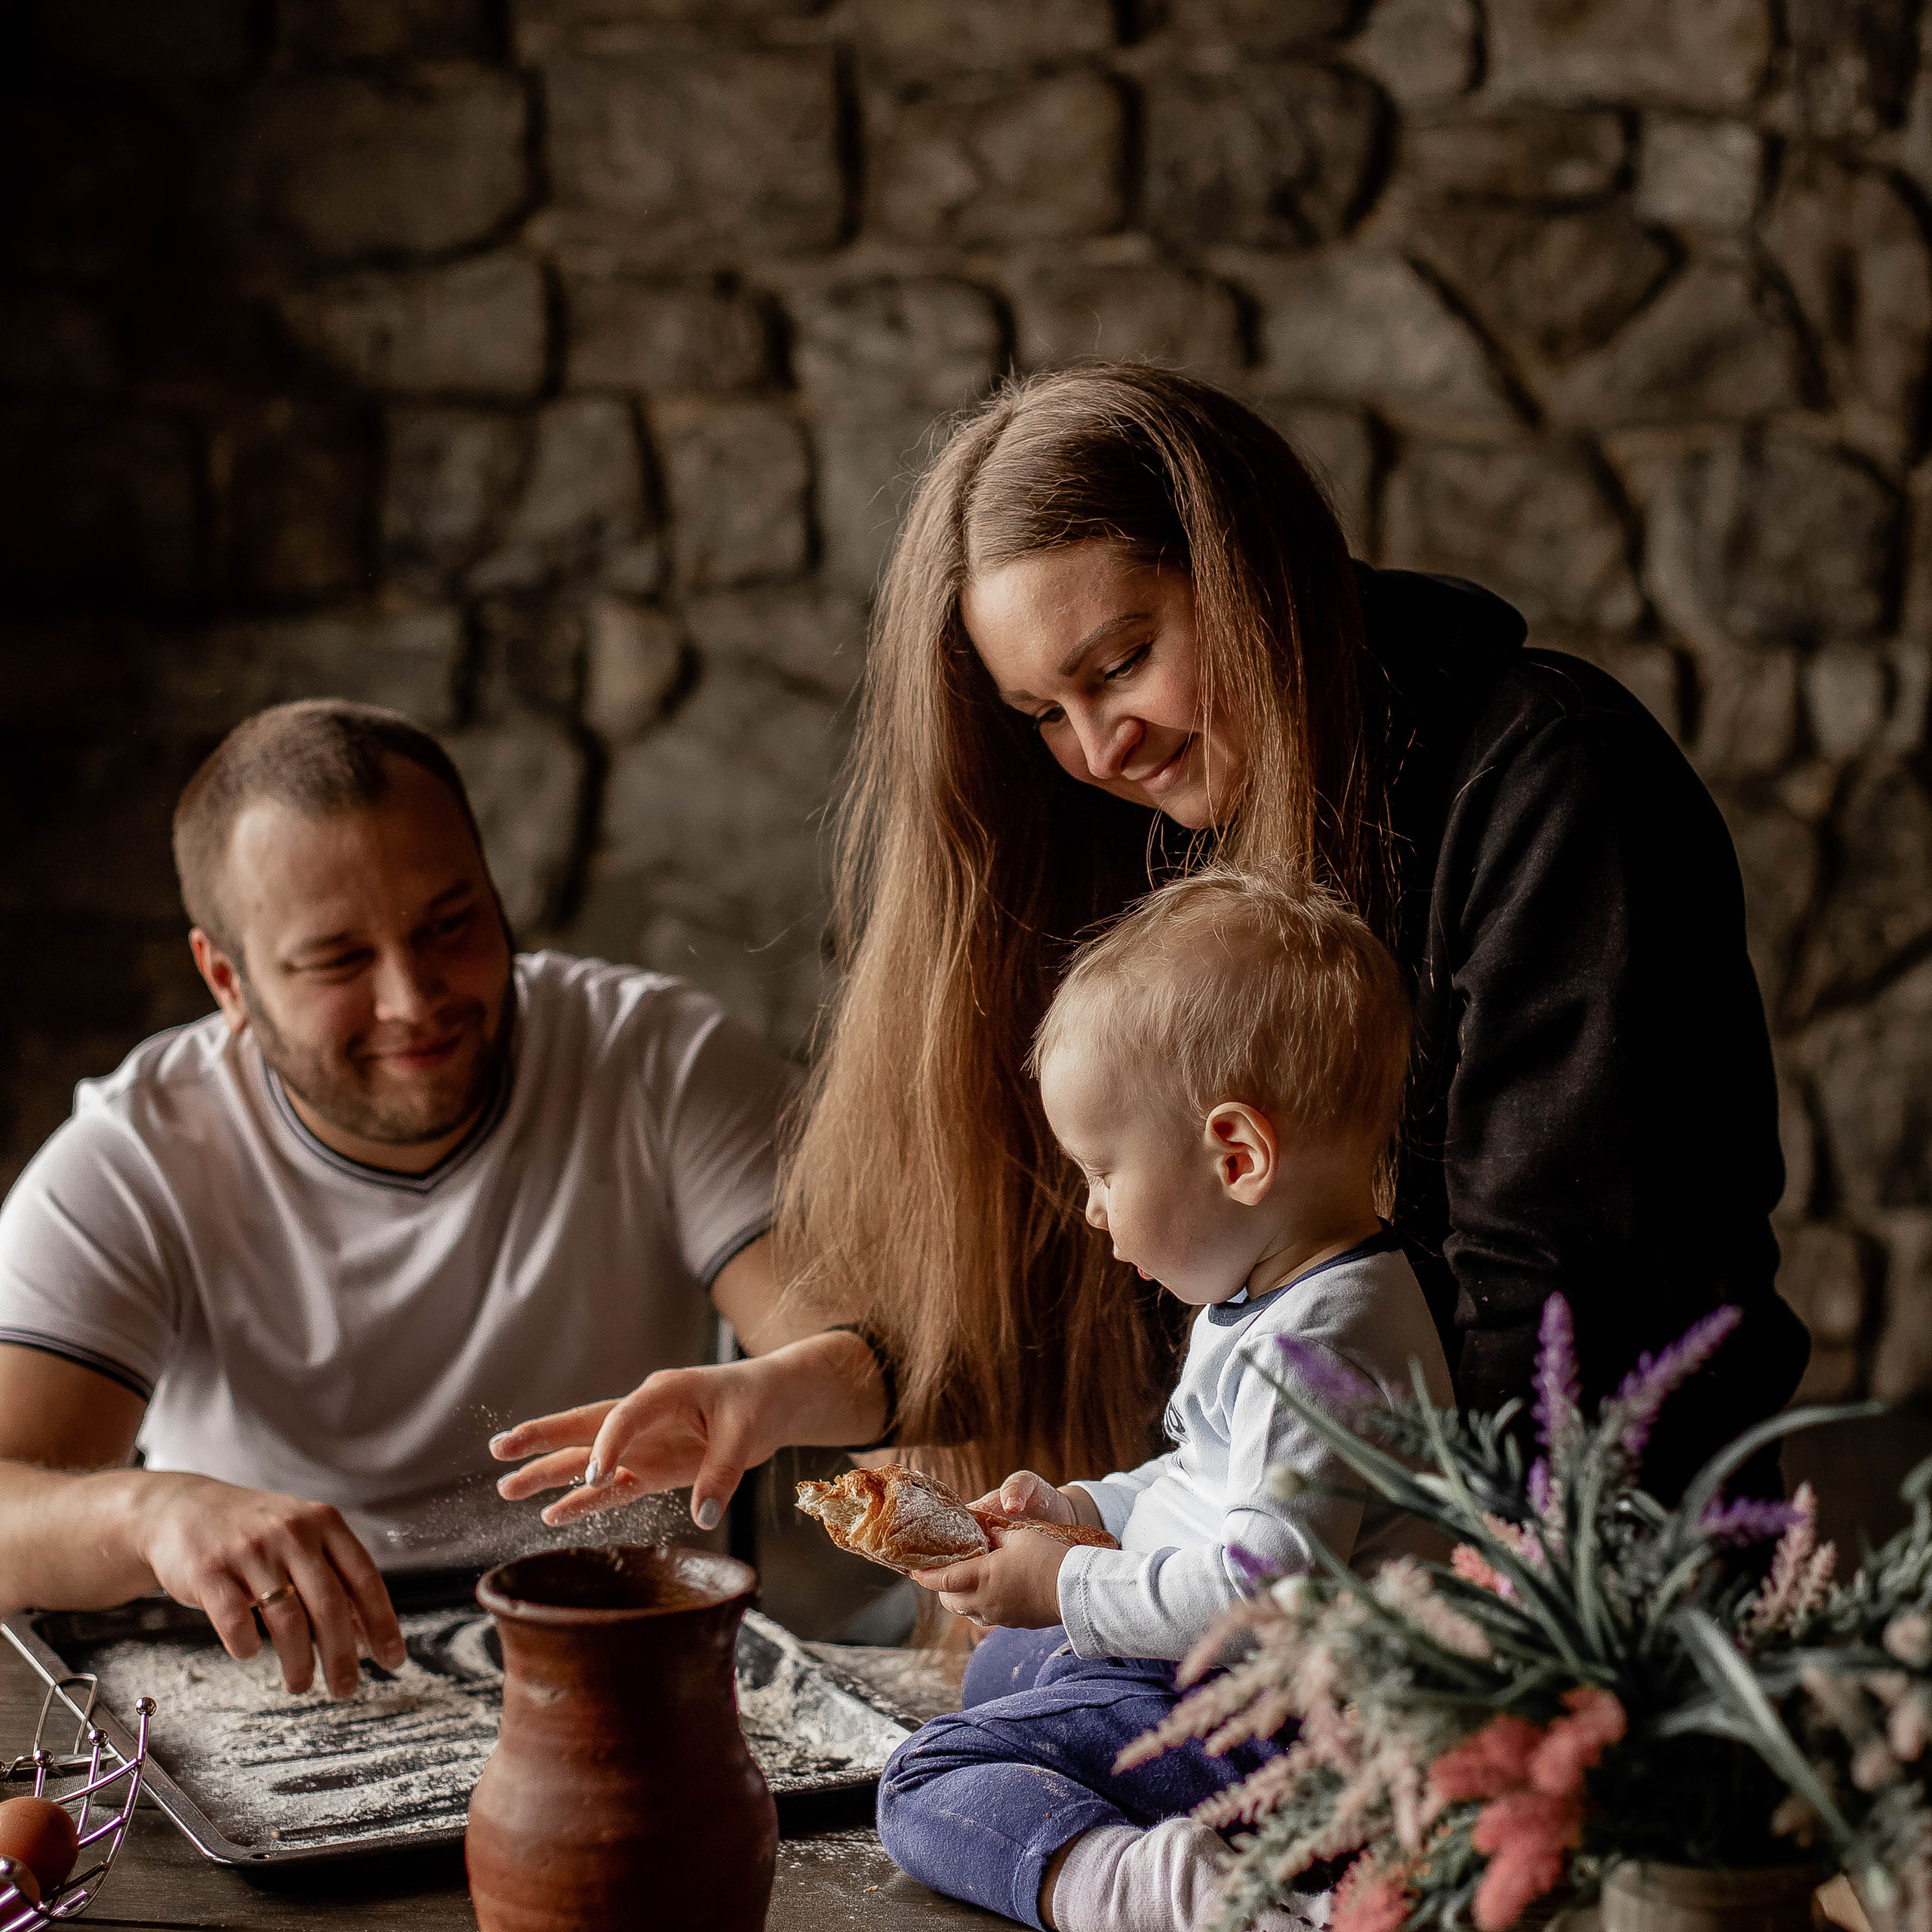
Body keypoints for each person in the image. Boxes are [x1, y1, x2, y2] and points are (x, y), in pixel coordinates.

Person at [495, 362, 1808, 1540]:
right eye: (1042, 713)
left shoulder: (1557, 790)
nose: (1099, 749)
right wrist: (786, 1389)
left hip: (1559, 1600)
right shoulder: (1155, 827)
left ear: (1251, 568)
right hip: (1271, 1582)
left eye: (1122, 661)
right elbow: (1087, 1296)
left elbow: (1555, 1350)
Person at [0, 700, 886, 1699]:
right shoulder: (133, 1158)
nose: (413, 999)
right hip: (275, 1685)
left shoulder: (658, 1062)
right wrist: (152, 1513)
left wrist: (789, 1391)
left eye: (450, 925)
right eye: (339, 960)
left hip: (634, 1656)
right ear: (227, 980)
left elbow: (881, 1371)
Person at [875, 868, 1452, 1932]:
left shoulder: (1318, 1350)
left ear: (1237, 1155)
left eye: (1102, 1172)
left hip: (1302, 1725)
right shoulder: (1283, 1293)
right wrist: (1085, 1514)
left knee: (928, 1781)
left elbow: (1266, 1590)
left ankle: (1185, 1894)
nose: (1093, 1212)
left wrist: (1072, 1584)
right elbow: (1203, 1481)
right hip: (1242, 1682)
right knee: (1004, 1665)